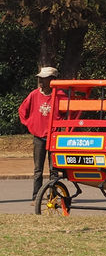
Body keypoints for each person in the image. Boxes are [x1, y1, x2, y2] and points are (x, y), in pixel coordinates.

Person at [19, 67, 58, 200]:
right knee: (38, 170)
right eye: (40, 78)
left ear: (52, 80)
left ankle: (53, 195)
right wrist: (29, 124)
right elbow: (22, 110)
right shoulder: (34, 94)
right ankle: (36, 197)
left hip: (54, 137)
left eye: (44, 78)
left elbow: (71, 113)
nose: (40, 81)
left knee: (54, 170)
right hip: (39, 137)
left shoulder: (60, 96)